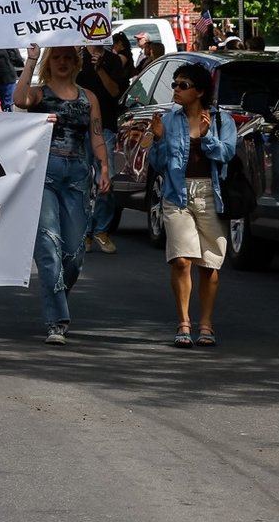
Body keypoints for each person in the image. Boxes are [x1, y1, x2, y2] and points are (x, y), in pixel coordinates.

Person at [17, 45, 112, 345]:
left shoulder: (88, 97)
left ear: (75, 63)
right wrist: (31, 60)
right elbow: (19, 100)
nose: (61, 62)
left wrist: (105, 165)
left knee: (73, 253)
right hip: (43, 175)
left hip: (77, 177)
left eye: (67, 58)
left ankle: (56, 294)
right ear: (50, 62)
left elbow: (96, 135)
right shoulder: (39, 94)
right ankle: (56, 321)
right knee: (48, 246)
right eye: (56, 57)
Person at [143, 61, 236, 348]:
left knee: (209, 265)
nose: (176, 89)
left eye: (183, 85)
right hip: (176, 194)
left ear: (199, 91)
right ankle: (184, 321)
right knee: (182, 259)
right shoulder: (169, 120)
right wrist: (157, 139)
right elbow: (158, 164)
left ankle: (205, 323)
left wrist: (207, 137)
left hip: (211, 194)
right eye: (174, 84)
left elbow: (227, 154)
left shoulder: (221, 120)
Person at [76, 43, 129, 252]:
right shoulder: (74, 56)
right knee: (81, 179)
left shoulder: (112, 60)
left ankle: (101, 229)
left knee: (106, 179)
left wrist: (100, 69)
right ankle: (84, 231)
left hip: (104, 126)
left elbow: (115, 91)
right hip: (78, 127)